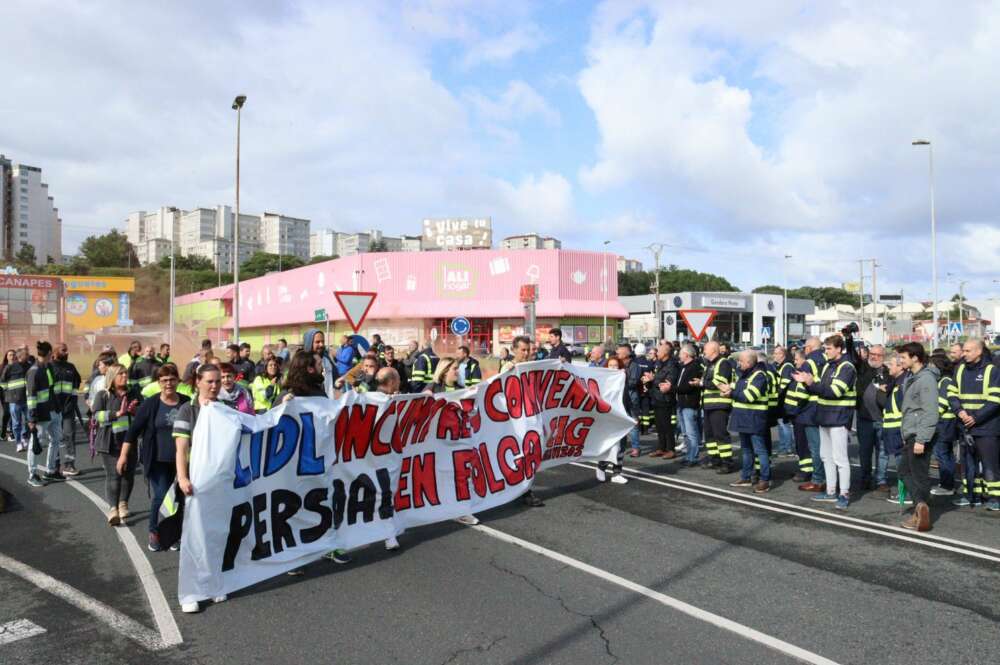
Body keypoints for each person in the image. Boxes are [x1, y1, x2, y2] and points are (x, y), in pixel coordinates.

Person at [173, 364, 230, 612]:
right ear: (198, 382)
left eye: (218, 381)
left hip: (219, 482)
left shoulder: (224, 409)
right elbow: (181, 449)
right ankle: (190, 593)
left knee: (216, 535)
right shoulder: (188, 410)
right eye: (209, 381)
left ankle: (214, 584)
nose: (215, 386)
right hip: (195, 482)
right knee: (193, 537)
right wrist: (183, 478)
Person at [121, 364, 188, 550]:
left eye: (172, 379)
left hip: (181, 461)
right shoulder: (151, 404)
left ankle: (174, 534)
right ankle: (154, 531)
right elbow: (133, 431)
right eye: (164, 380)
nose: (168, 383)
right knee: (161, 496)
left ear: (177, 381)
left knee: (180, 499)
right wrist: (123, 456)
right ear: (158, 383)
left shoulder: (187, 403)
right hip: (157, 460)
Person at [796, 334, 856, 510]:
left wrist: (811, 382)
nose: (826, 352)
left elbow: (834, 391)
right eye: (825, 348)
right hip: (825, 417)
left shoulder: (847, 367)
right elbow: (822, 390)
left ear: (839, 349)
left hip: (839, 417)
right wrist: (810, 384)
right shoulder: (829, 366)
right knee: (826, 456)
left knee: (840, 459)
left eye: (829, 349)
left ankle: (843, 493)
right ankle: (830, 491)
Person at [953, 339, 1000, 511]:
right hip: (965, 426)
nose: (963, 354)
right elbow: (952, 394)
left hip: (987, 427)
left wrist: (976, 418)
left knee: (990, 465)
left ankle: (995, 497)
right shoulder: (959, 370)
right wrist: (959, 411)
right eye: (963, 350)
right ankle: (972, 495)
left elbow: (995, 400)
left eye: (968, 351)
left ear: (979, 352)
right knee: (968, 464)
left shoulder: (991, 371)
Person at [897, 343, 939, 530]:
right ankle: (920, 506)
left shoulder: (926, 379)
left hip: (919, 435)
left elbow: (930, 412)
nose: (900, 360)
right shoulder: (913, 377)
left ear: (915, 358)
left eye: (903, 357)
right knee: (905, 471)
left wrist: (921, 439)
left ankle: (920, 509)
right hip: (912, 433)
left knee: (918, 474)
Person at [501, 336, 545, 507]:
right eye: (523, 350)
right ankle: (524, 491)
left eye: (528, 350)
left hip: (531, 417)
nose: (526, 353)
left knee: (530, 453)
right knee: (520, 454)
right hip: (514, 419)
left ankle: (522, 489)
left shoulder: (531, 367)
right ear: (514, 350)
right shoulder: (507, 367)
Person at [92, 364, 139, 523]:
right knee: (114, 475)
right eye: (121, 374)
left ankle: (123, 504)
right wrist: (116, 414)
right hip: (110, 442)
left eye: (126, 373)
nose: (125, 376)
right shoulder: (103, 395)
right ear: (112, 377)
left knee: (128, 474)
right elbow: (96, 416)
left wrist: (135, 411)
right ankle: (113, 509)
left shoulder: (134, 393)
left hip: (130, 442)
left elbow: (143, 414)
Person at [726, 350, 772, 493]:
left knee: (760, 451)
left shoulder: (759, 376)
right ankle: (746, 477)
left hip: (754, 418)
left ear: (749, 362)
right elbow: (739, 389)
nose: (738, 363)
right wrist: (729, 388)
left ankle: (765, 480)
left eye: (741, 361)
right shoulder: (746, 374)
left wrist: (731, 393)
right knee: (746, 450)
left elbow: (749, 396)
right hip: (744, 418)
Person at [26, 341, 64, 486]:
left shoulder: (48, 367)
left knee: (56, 440)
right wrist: (32, 418)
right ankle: (32, 474)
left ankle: (50, 471)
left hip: (53, 411)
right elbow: (31, 397)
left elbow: (51, 389)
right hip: (41, 415)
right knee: (36, 443)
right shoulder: (34, 371)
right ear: (49, 353)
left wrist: (57, 408)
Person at [694, 341, 736, 472]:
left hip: (719, 404)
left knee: (720, 434)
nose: (703, 351)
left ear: (713, 350)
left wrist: (701, 383)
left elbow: (718, 383)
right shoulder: (710, 364)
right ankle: (714, 459)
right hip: (709, 405)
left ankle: (727, 462)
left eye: (705, 349)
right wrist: (702, 382)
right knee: (709, 434)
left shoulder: (723, 363)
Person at [794, 337, 828, 492]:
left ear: (808, 348)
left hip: (811, 410)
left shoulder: (809, 363)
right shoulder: (828, 359)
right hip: (827, 408)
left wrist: (794, 409)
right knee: (827, 447)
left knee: (815, 448)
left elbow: (802, 390)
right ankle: (829, 478)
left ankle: (818, 479)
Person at [855, 344, 890, 491]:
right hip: (865, 419)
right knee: (865, 451)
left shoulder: (888, 372)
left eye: (877, 354)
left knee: (883, 452)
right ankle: (865, 478)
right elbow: (853, 357)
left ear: (883, 357)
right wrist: (849, 339)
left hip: (882, 419)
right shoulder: (863, 369)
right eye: (871, 353)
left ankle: (881, 480)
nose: (873, 356)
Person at [930, 353, 960, 497]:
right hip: (946, 423)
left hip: (944, 423)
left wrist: (929, 418)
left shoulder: (945, 381)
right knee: (946, 454)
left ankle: (947, 485)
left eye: (932, 365)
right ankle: (947, 483)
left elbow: (942, 403)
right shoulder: (945, 379)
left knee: (942, 454)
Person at [596, 355, 629, 485]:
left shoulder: (623, 380)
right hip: (608, 417)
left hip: (621, 416)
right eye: (611, 366)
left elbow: (627, 398)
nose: (614, 368)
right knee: (610, 445)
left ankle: (617, 473)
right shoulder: (604, 382)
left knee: (621, 446)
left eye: (616, 366)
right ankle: (601, 466)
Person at [51, 342, 82, 476]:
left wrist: (73, 400)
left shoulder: (71, 367)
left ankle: (69, 465)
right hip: (54, 409)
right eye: (64, 350)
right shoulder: (49, 367)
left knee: (69, 436)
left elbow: (77, 382)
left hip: (68, 409)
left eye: (67, 350)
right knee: (55, 438)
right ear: (55, 352)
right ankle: (55, 465)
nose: (67, 352)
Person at [674, 344, 703, 467]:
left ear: (686, 355)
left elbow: (689, 386)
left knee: (691, 433)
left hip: (689, 404)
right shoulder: (683, 367)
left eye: (681, 353)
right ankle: (688, 455)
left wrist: (672, 388)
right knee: (685, 433)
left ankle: (693, 458)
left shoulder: (694, 367)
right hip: (681, 403)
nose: (679, 355)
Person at [649, 343, 679, 458]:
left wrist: (654, 379)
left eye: (659, 351)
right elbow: (657, 378)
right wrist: (650, 379)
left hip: (665, 399)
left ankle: (671, 449)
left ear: (666, 353)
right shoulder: (659, 364)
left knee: (667, 426)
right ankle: (661, 448)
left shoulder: (672, 365)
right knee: (659, 426)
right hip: (656, 398)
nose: (657, 353)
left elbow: (668, 382)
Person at [2, 346, 31, 453]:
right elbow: (2, 382)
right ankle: (18, 443)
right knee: (16, 423)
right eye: (26, 355)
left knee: (29, 420)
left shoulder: (29, 366)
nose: (28, 356)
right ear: (20, 356)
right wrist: (9, 392)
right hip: (14, 401)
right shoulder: (9, 367)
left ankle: (24, 437)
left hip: (27, 399)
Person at [619, 343, 644, 458]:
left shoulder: (635, 366)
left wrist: (623, 377)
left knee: (633, 425)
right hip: (620, 399)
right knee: (621, 424)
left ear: (626, 354)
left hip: (631, 399)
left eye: (619, 352)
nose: (617, 353)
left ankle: (635, 448)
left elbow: (633, 382)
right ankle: (621, 447)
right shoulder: (618, 364)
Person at [772, 346, 796, 456]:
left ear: (782, 355)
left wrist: (777, 396)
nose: (774, 355)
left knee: (784, 425)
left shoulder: (787, 366)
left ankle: (787, 448)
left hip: (784, 400)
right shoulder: (780, 366)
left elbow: (784, 384)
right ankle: (784, 447)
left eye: (776, 353)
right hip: (781, 400)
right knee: (781, 424)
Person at [303, 329, 339, 398]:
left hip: (327, 403)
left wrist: (337, 384)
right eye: (317, 342)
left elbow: (335, 379)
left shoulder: (327, 360)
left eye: (323, 341)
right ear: (309, 343)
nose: (321, 344)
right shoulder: (302, 362)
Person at [0, 349, 13, 442]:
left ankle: (7, 432)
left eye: (13, 355)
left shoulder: (18, 367)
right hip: (3, 392)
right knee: (7, 412)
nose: (12, 357)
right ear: (6, 357)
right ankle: (4, 431)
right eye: (10, 355)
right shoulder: (2, 367)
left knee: (10, 413)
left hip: (13, 393)